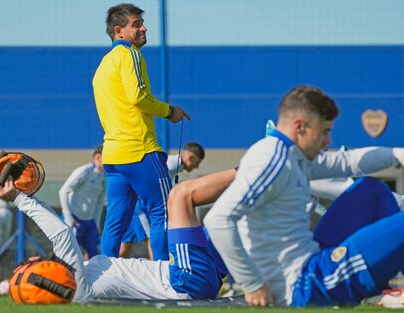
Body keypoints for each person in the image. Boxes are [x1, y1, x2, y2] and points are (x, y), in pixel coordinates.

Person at [204, 85, 404, 307]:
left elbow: (347, 162)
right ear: (300, 126)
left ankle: (380, 289)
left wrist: (398, 154)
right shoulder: (272, 160)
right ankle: (377, 291)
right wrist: (253, 285)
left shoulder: (292, 155)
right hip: (303, 285)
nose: (328, 141)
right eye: (325, 132)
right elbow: (218, 219)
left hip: (311, 261)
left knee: (371, 190)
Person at [0, 168, 229, 302]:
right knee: (181, 195)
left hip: (195, 279)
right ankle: (258, 166)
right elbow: (62, 234)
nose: (34, 259)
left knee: (229, 221)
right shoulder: (74, 285)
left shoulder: (76, 283)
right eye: (29, 263)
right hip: (186, 280)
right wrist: (19, 199)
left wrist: (26, 197)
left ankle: (260, 179)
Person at [92, 3, 190, 260]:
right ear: (119, 31)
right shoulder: (130, 54)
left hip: (113, 156)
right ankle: (164, 278)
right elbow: (138, 97)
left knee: (115, 223)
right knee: (164, 212)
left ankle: (102, 281)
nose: (143, 28)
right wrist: (170, 112)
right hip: (140, 152)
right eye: (136, 24)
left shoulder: (103, 66)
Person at [120, 142, 205, 258]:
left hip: (140, 205)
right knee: (152, 239)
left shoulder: (175, 165)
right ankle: (157, 272)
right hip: (141, 206)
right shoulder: (172, 164)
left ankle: (110, 269)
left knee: (125, 245)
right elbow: (147, 176)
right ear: (191, 158)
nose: (197, 166)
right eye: (197, 162)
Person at [59, 145, 106, 260]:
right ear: (98, 157)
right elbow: (63, 191)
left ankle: (89, 278)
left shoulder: (105, 176)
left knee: (94, 257)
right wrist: (69, 217)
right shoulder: (84, 171)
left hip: (89, 222)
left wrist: (96, 223)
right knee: (69, 256)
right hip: (74, 220)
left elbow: (100, 202)